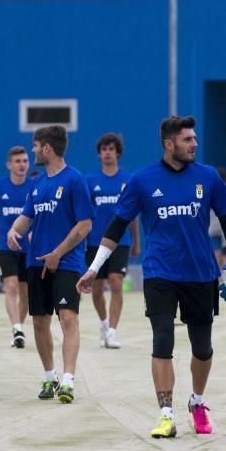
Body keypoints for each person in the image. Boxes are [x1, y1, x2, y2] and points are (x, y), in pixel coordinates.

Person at [77, 116, 226, 438]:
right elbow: (115, 228)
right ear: (169, 144)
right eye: (187, 140)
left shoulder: (208, 177)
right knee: (162, 340)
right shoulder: (142, 180)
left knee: (203, 348)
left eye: (194, 138)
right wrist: (93, 268)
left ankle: (197, 403)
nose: (194, 144)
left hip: (200, 273)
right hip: (160, 272)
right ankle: (166, 414)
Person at [7, 125, 93, 404]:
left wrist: (58, 252)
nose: (31, 151)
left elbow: (85, 223)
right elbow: (27, 216)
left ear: (46, 148)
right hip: (36, 262)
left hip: (67, 262)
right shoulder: (39, 183)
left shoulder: (74, 180)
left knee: (68, 317)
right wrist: (13, 230)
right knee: (40, 321)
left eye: (34, 146)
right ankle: (49, 376)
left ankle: (68, 381)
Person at [85, 132, 140, 350]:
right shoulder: (89, 181)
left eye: (111, 149)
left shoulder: (128, 180)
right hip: (94, 243)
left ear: (118, 152)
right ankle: (104, 324)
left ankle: (113, 332)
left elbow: (133, 215)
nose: (107, 153)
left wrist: (136, 242)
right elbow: (84, 215)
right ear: (99, 154)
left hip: (121, 241)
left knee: (116, 283)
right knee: (97, 288)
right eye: (104, 149)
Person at [0, 146, 34, 349]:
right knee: (11, 287)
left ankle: (19, 328)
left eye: (25, 161)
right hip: (5, 246)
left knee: (25, 293)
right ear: (9, 164)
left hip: (29, 248)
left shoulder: (35, 187)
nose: (22, 165)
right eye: (18, 161)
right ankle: (17, 327)